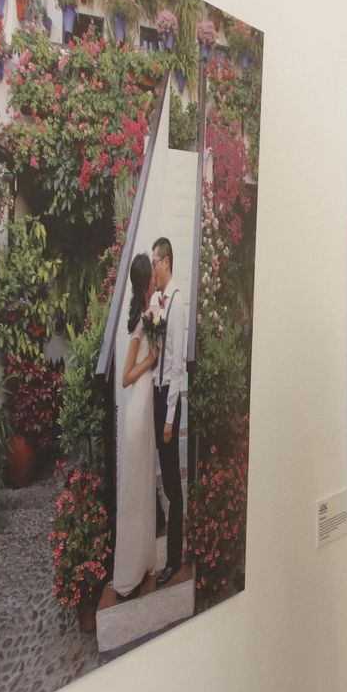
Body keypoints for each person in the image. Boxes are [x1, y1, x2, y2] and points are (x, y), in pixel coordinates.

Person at [105, 254, 160, 607]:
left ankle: (143, 562)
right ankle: (128, 571)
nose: (157, 278)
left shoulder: (151, 313)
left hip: (147, 404)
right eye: (152, 275)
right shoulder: (141, 322)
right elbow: (125, 377)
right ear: (145, 282)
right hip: (138, 405)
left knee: (143, 482)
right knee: (136, 484)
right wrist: (149, 362)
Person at [149, 238, 191, 588]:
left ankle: (174, 560)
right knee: (163, 477)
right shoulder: (158, 301)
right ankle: (170, 551)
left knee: (173, 486)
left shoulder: (177, 303)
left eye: (155, 263)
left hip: (168, 400)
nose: (153, 270)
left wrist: (169, 418)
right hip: (155, 393)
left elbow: (177, 365)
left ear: (166, 262)